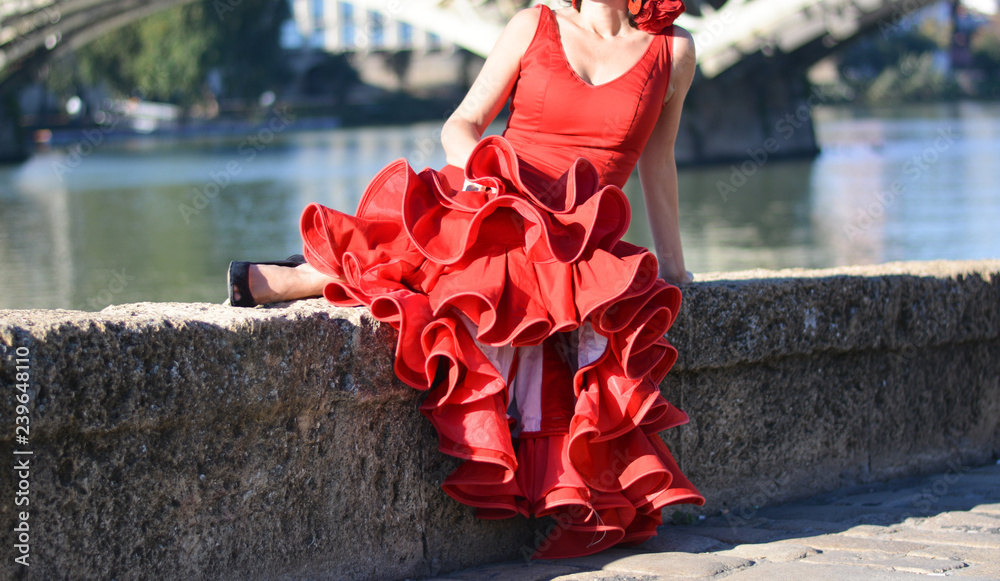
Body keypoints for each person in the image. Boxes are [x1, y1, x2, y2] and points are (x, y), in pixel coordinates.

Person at [228, 0, 703, 559]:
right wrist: (485, 177)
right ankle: (299, 277)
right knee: (464, 260)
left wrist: (672, 267)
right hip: (502, 200)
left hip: (580, 240)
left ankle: (293, 276)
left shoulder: (675, 51)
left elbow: (658, 158)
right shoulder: (535, 24)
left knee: (506, 279)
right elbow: (463, 124)